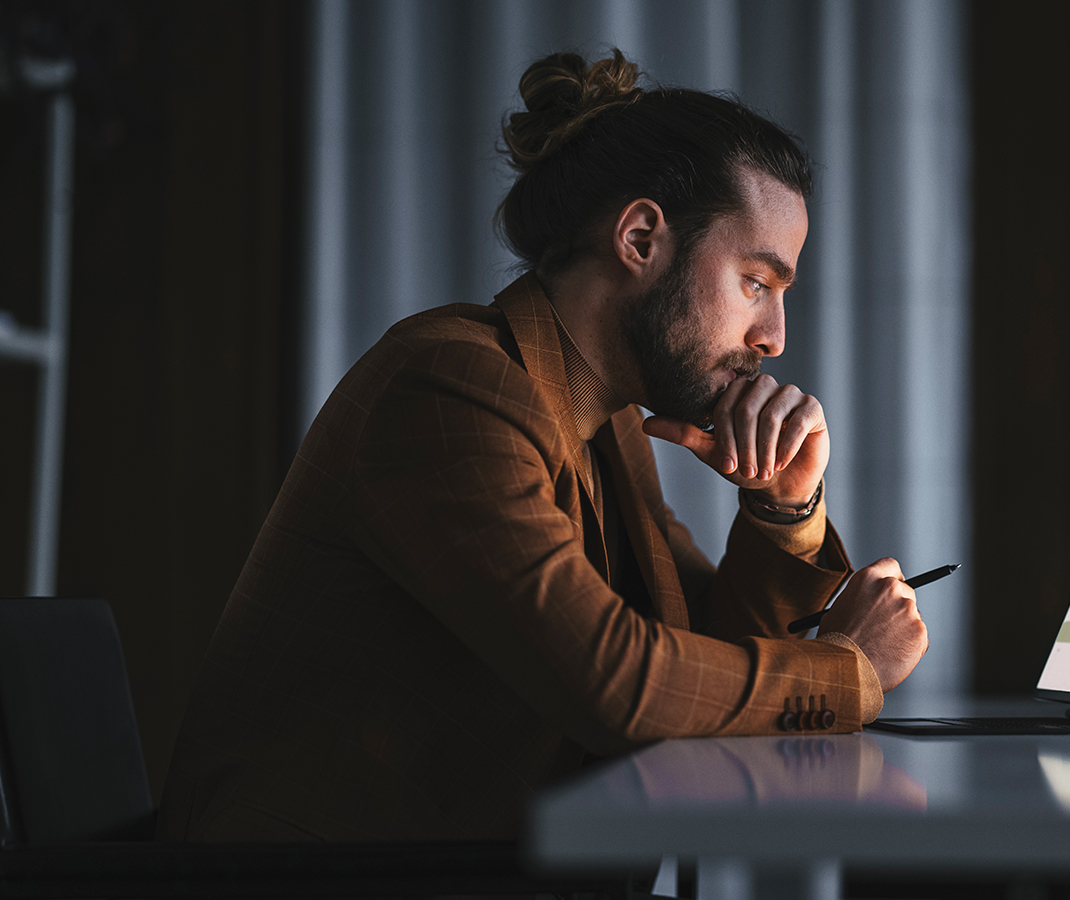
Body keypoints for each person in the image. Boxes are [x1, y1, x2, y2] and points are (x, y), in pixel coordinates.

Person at [156, 49, 928, 843]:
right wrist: (849, 669)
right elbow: (620, 682)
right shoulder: (448, 386)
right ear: (639, 238)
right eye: (757, 283)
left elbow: (699, 656)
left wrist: (783, 509)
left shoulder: (607, 424)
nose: (773, 337)